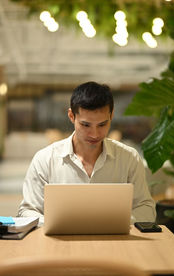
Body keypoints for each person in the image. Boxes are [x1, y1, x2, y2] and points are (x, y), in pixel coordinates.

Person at [18, 81, 156, 223]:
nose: (94, 134)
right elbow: (27, 211)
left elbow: (146, 209)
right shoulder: (45, 159)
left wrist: (115, 223)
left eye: (102, 124)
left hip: (115, 242)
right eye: (85, 125)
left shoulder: (129, 158)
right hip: (60, 243)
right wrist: (59, 224)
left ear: (111, 116)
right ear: (72, 116)